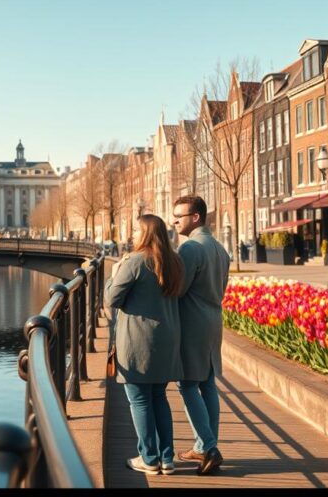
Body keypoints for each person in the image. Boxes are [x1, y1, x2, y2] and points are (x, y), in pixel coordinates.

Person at [105, 214, 185, 476]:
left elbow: (112, 299)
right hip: (167, 339)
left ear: (146, 234)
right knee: (159, 397)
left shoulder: (135, 262)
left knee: (139, 400)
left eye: (136, 231)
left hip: (138, 340)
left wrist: (114, 273)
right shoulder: (174, 262)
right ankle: (167, 458)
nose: (132, 236)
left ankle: (148, 458)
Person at [171, 195, 230, 475]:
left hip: (192, 323)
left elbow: (178, 290)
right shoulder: (220, 249)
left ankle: (208, 447)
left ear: (195, 218)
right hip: (214, 322)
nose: (174, 221)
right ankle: (204, 444)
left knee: (186, 385)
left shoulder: (191, 248)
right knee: (207, 384)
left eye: (179, 216)